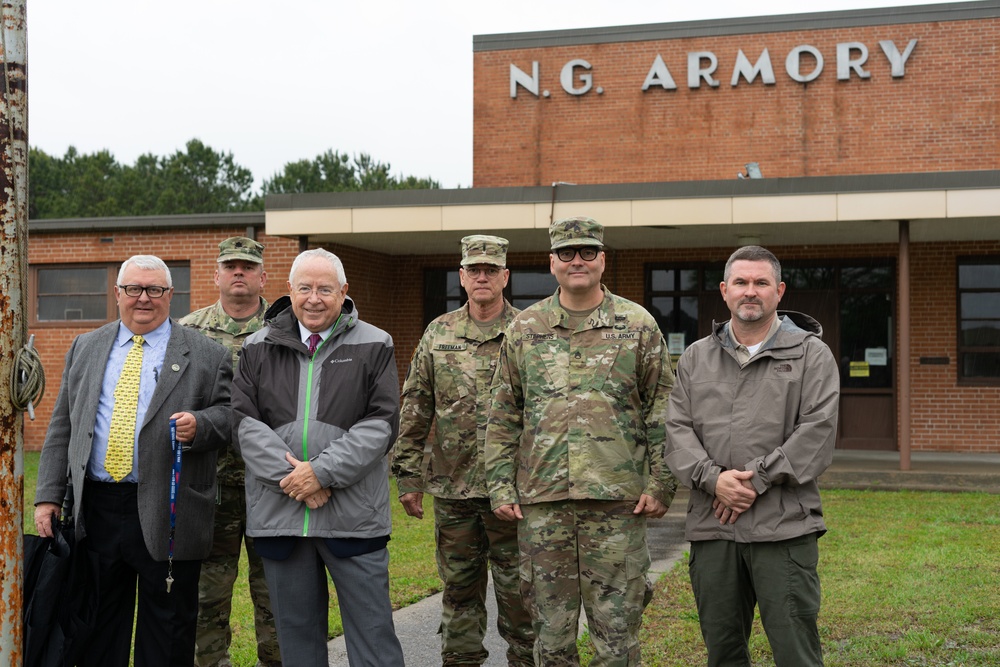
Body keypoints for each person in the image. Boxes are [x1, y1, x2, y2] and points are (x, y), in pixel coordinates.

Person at [485, 216, 677, 665]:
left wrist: (661, 482)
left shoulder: (638, 324)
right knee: (550, 639)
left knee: (617, 637)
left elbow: (664, 410)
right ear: (552, 262)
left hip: (616, 507)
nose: (578, 261)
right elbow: (503, 414)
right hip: (543, 505)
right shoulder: (526, 328)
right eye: (567, 253)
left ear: (603, 260)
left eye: (587, 252)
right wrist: (499, 484)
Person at [34, 255, 232, 667]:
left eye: (154, 290)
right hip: (97, 510)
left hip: (170, 510)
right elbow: (62, 427)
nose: (144, 298)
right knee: (95, 627)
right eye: (134, 289)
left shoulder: (207, 354)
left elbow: (232, 418)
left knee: (169, 632)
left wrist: (201, 425)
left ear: (170, 295)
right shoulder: (85, 347)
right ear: (118, 293)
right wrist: (48, 497)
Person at [664, 245, 840, 667]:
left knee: (796, 651)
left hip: (783, 528)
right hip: (714, 529)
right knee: (722, 652)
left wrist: (756, 479)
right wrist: (714, 480)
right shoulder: (695, 357)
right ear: (724, 291)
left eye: (761, 283)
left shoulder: (811, 355)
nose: (750, 291)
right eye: (741, 282)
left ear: (779, 291)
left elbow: (817, 430)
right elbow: (676, 429)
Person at [231, 248, 404, 667]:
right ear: (288, 290)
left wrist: (321, 473)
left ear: (343, 292)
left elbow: (381, 423)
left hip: (353, 519)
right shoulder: (256, 347)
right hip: (282, 515)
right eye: (304, 288)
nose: (314, 298)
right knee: (297, 646)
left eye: (325, 289)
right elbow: (243, 423)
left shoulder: (375, 343)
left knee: (374, 642)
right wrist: (296, 481)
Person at [393, 235, 534, 666]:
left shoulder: (530, 331)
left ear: (505, 276)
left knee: (521, 599)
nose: (483, 277)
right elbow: (416, 406)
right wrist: (409, 476)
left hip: (515, 495)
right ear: (462, 276)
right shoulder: (439, 332)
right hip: (454, 492)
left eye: (491, 270)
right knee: (458, 595)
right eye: (475, 270)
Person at [180, 237, 281, 667]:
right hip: (211, 485)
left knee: (276, 591)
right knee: (207, 594)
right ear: (216, 275)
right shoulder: (188, 331)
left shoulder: (285, 329)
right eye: (230, 266)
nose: (239, 273)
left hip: (273, 486)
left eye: (248, 266)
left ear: (263, 276)